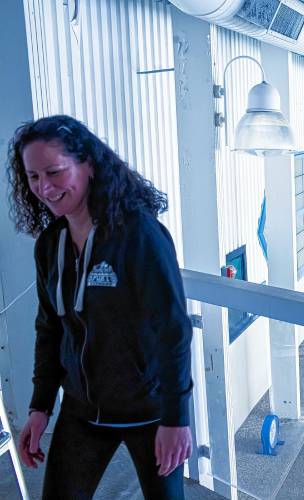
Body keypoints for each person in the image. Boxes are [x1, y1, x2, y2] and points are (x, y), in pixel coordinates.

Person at [7, 115, 193, 499]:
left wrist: (176, 420)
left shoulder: (138, 234)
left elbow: (172, 329)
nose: (44, 187)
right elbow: (50, 329)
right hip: (83, 411)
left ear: (88, 164)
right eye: (33, 177)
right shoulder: (50, 245)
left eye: (55, 172)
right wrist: (40, 406)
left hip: (149, 411)